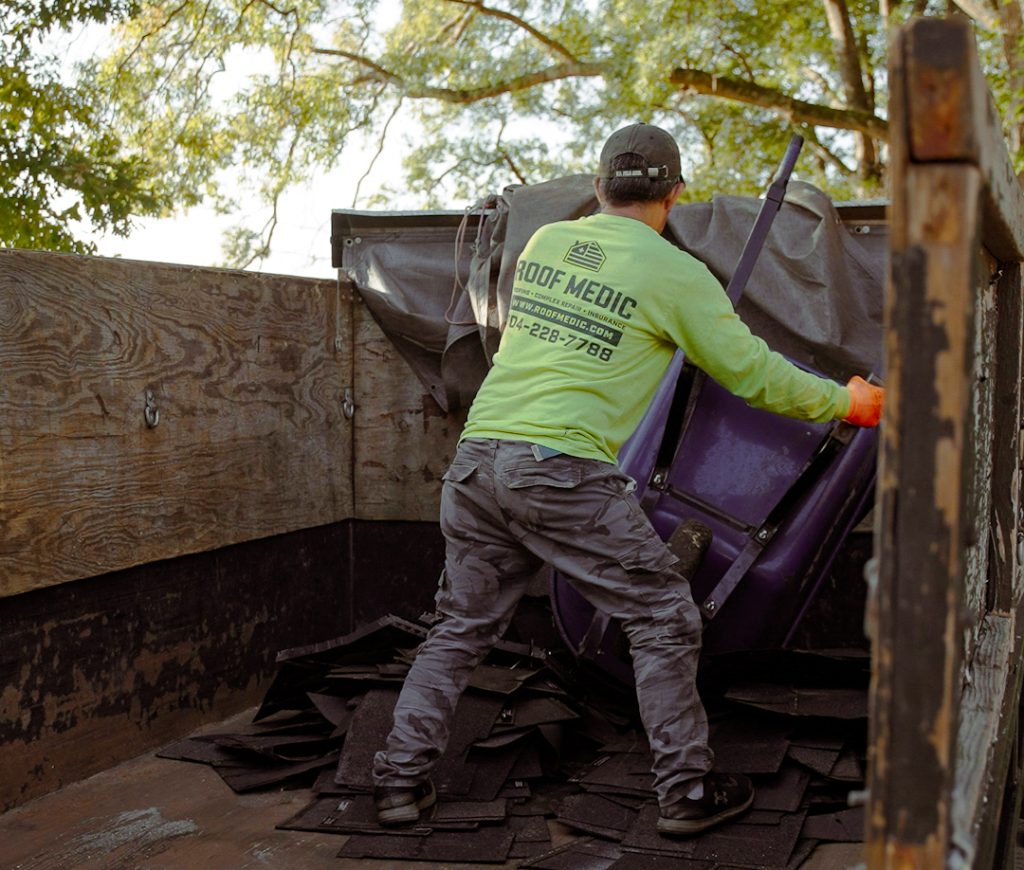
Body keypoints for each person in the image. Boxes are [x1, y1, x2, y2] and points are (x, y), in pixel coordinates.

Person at [372, 123, 884, 836]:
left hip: (478, 462)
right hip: (559, 472)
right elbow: (753, 374)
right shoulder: (676, 275)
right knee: (665, 616)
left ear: (597, 186)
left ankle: (398, 783)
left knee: (460, 626)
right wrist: (846, 401)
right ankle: (686, 792)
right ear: (675, 194)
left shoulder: (547, 245)